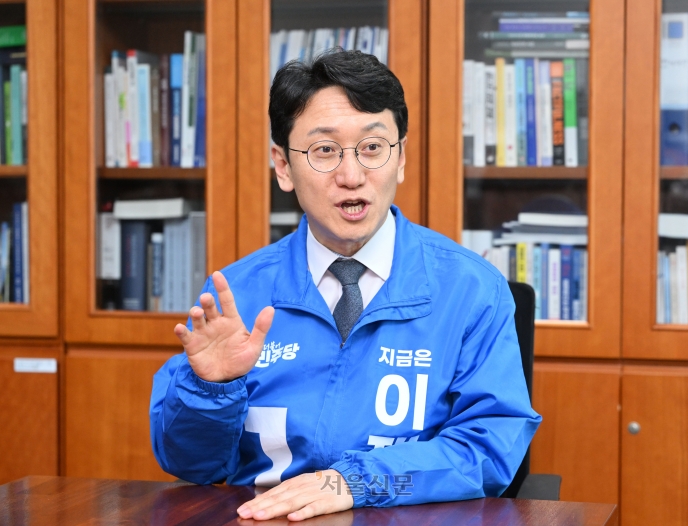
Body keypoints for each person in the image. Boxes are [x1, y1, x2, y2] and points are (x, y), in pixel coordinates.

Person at [150, 49, 541, 522]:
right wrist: (210, 390)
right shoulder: (237, 293)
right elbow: (190, 464)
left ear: (400, 158)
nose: (352, 176)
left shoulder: (471, 289)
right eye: (325, 151)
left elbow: (489, 448)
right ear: (283, 166)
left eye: (373, 148)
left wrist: (357, 481)